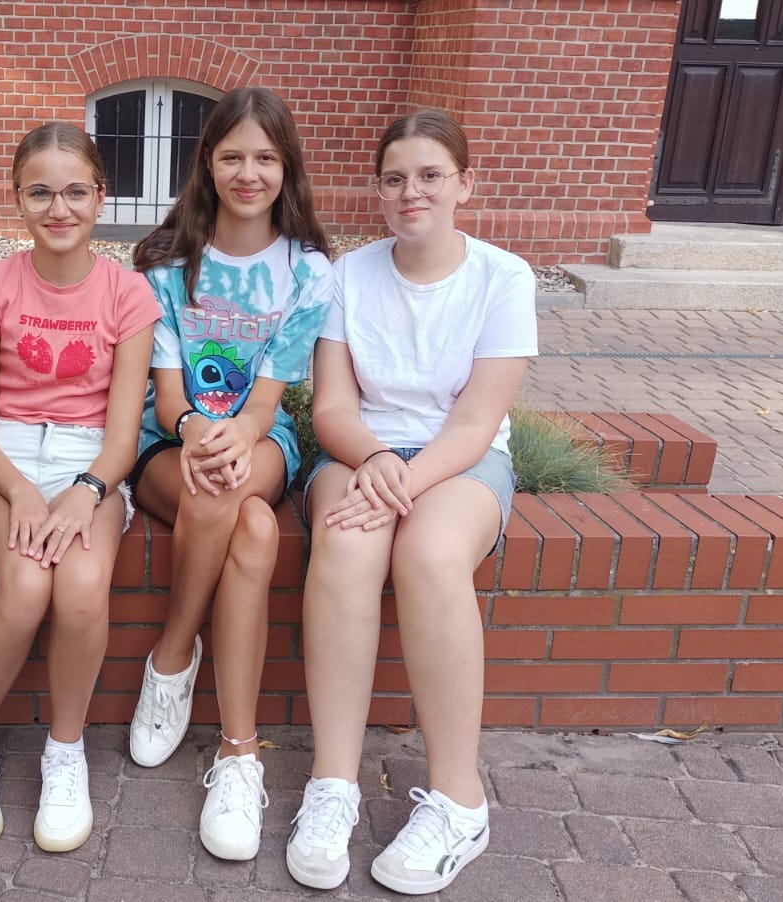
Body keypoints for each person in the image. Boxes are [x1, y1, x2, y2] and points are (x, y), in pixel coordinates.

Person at [286, 108, 537, 894]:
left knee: (429, 554)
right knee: (346, 542)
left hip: (460, 463)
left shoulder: (503, 278)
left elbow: (475, 421)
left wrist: (405, 480)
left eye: (430, 175)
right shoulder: (347, 276)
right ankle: (333, 784)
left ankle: (460, 800)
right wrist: (374, 462)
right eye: (394, 178)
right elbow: (332, 406)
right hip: (360, 453)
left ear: (466, 184)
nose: (411, 192)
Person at [125, 86, 337, 862]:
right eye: (233, 156)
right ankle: (238, 748)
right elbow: (167, 399)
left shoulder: (308, 272)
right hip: (170, 441)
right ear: (207, 163)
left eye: (266, 158)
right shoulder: (165, 263)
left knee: (229, 486)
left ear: (287, 168)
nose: (249, 173)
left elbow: (269, 400)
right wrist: (195, 433)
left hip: (261, 439)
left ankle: (174, 657)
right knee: (248, 524)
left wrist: (237, 436)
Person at [0, 122, 157, 854]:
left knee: (83, 585)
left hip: (89, 460)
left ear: (101, 196)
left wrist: (85, 489)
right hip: (2, 457)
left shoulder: (128, 294)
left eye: (74, 192)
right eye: (39, 193)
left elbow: (123, 439)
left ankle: (65, 752)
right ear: (18, 199)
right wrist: (22, 492)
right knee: (28, 584)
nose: (58, 209)